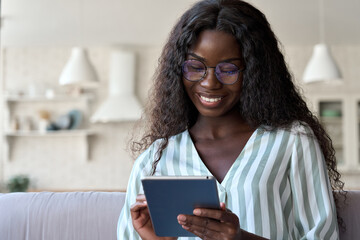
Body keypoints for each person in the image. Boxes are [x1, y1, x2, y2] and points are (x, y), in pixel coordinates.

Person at [117, 0, 344, 239]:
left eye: (228, 70)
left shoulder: (292, 141)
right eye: (195, 66)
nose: (210, 83)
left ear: (254, 71)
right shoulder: (154, 160)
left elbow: (324, 235)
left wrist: (240, 238)